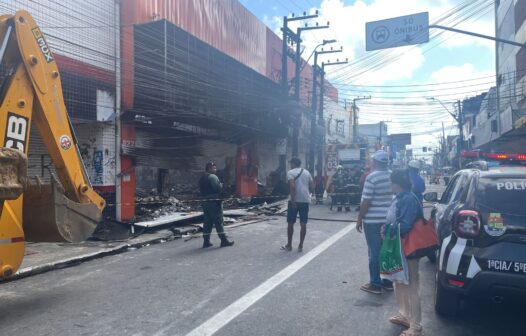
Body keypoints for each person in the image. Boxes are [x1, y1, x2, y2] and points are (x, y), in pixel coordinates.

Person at [387, 169, 424, 336]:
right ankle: (405, 315)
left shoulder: (408, 199)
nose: (390, 185)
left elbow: (405, 225)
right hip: (400, 245)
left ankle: (416, 327)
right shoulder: (401, 197)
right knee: (400, 281)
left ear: (396, 184)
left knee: (411, 285)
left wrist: (388, 228)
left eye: (391, 182)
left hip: (409, 246)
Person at [356, 150, 393, 294]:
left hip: (372, 221)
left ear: (376, 162)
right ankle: (388, 282)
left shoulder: (372, 177)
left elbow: (366, 201)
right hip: (388, 220)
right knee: (387, 251)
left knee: (374, 252)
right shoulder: (392, 175)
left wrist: (359, 219)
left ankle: (375, 284)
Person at [198, 161, 234, 248]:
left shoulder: (202, 177)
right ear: (209, 168)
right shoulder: (213, 177)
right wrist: (222, 185)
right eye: (214, 168)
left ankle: (206, 241)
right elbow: (218, 188)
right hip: (214, 202)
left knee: (207, 222)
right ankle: (224, 240)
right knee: (218, 221)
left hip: (205, 202)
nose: (215, 169)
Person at [282, 157, 313, 252]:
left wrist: (293, 200)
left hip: (294, 200)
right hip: (305, 200)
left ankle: (289, 245)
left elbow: (292, 186)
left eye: (291, 163)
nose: (290, 165)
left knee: (290, 223)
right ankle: (300, 246)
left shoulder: (291, 172)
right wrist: (309, 194)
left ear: (293, 164)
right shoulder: (307, 172)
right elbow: (312, 186)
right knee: (303, 223)